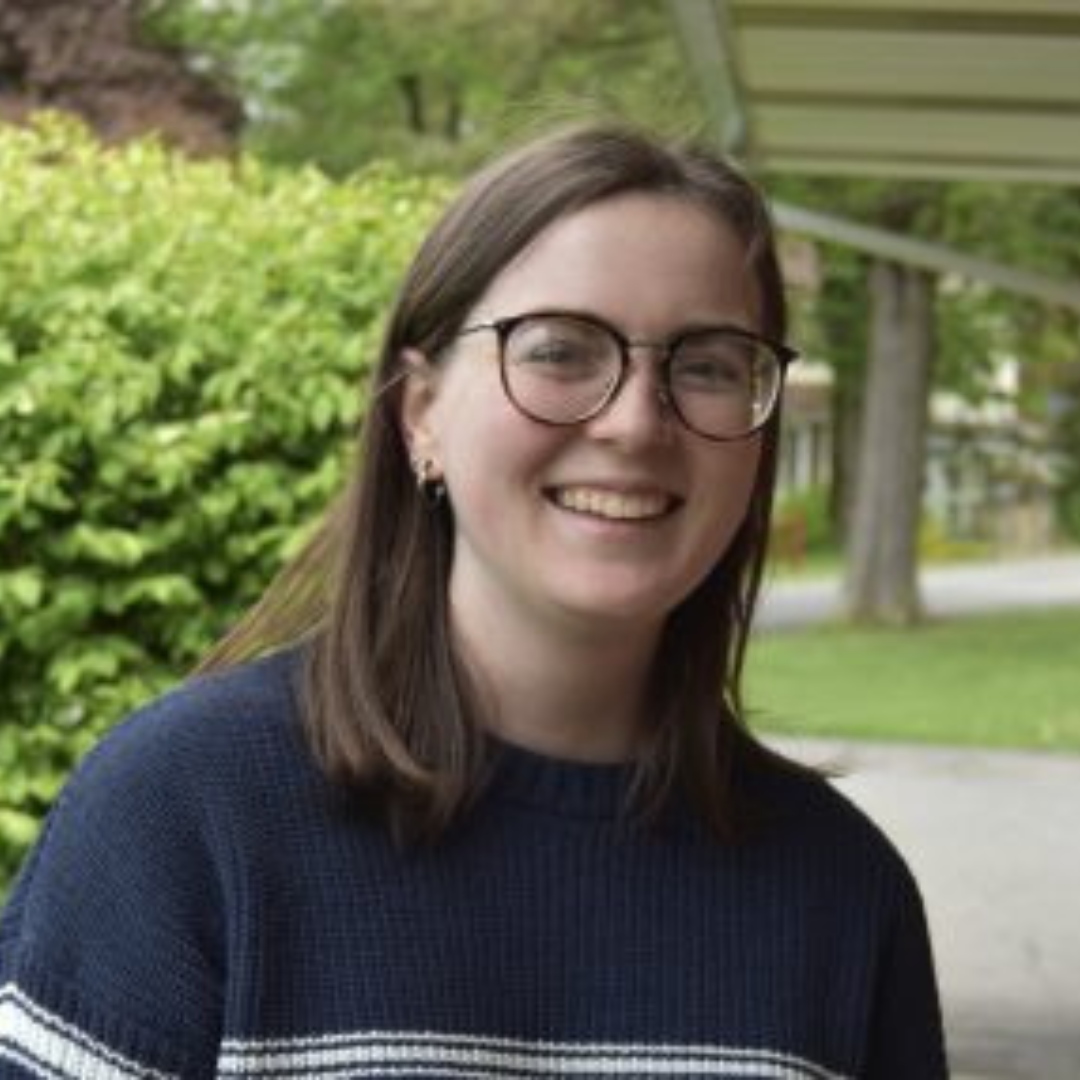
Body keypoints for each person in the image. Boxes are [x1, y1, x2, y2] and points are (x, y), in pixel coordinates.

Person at [0, 125, 948, 1079]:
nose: (632, 422)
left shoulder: (841, 895)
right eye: (560, 351)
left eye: (706, 365)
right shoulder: (184, 817)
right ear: (421, 415)